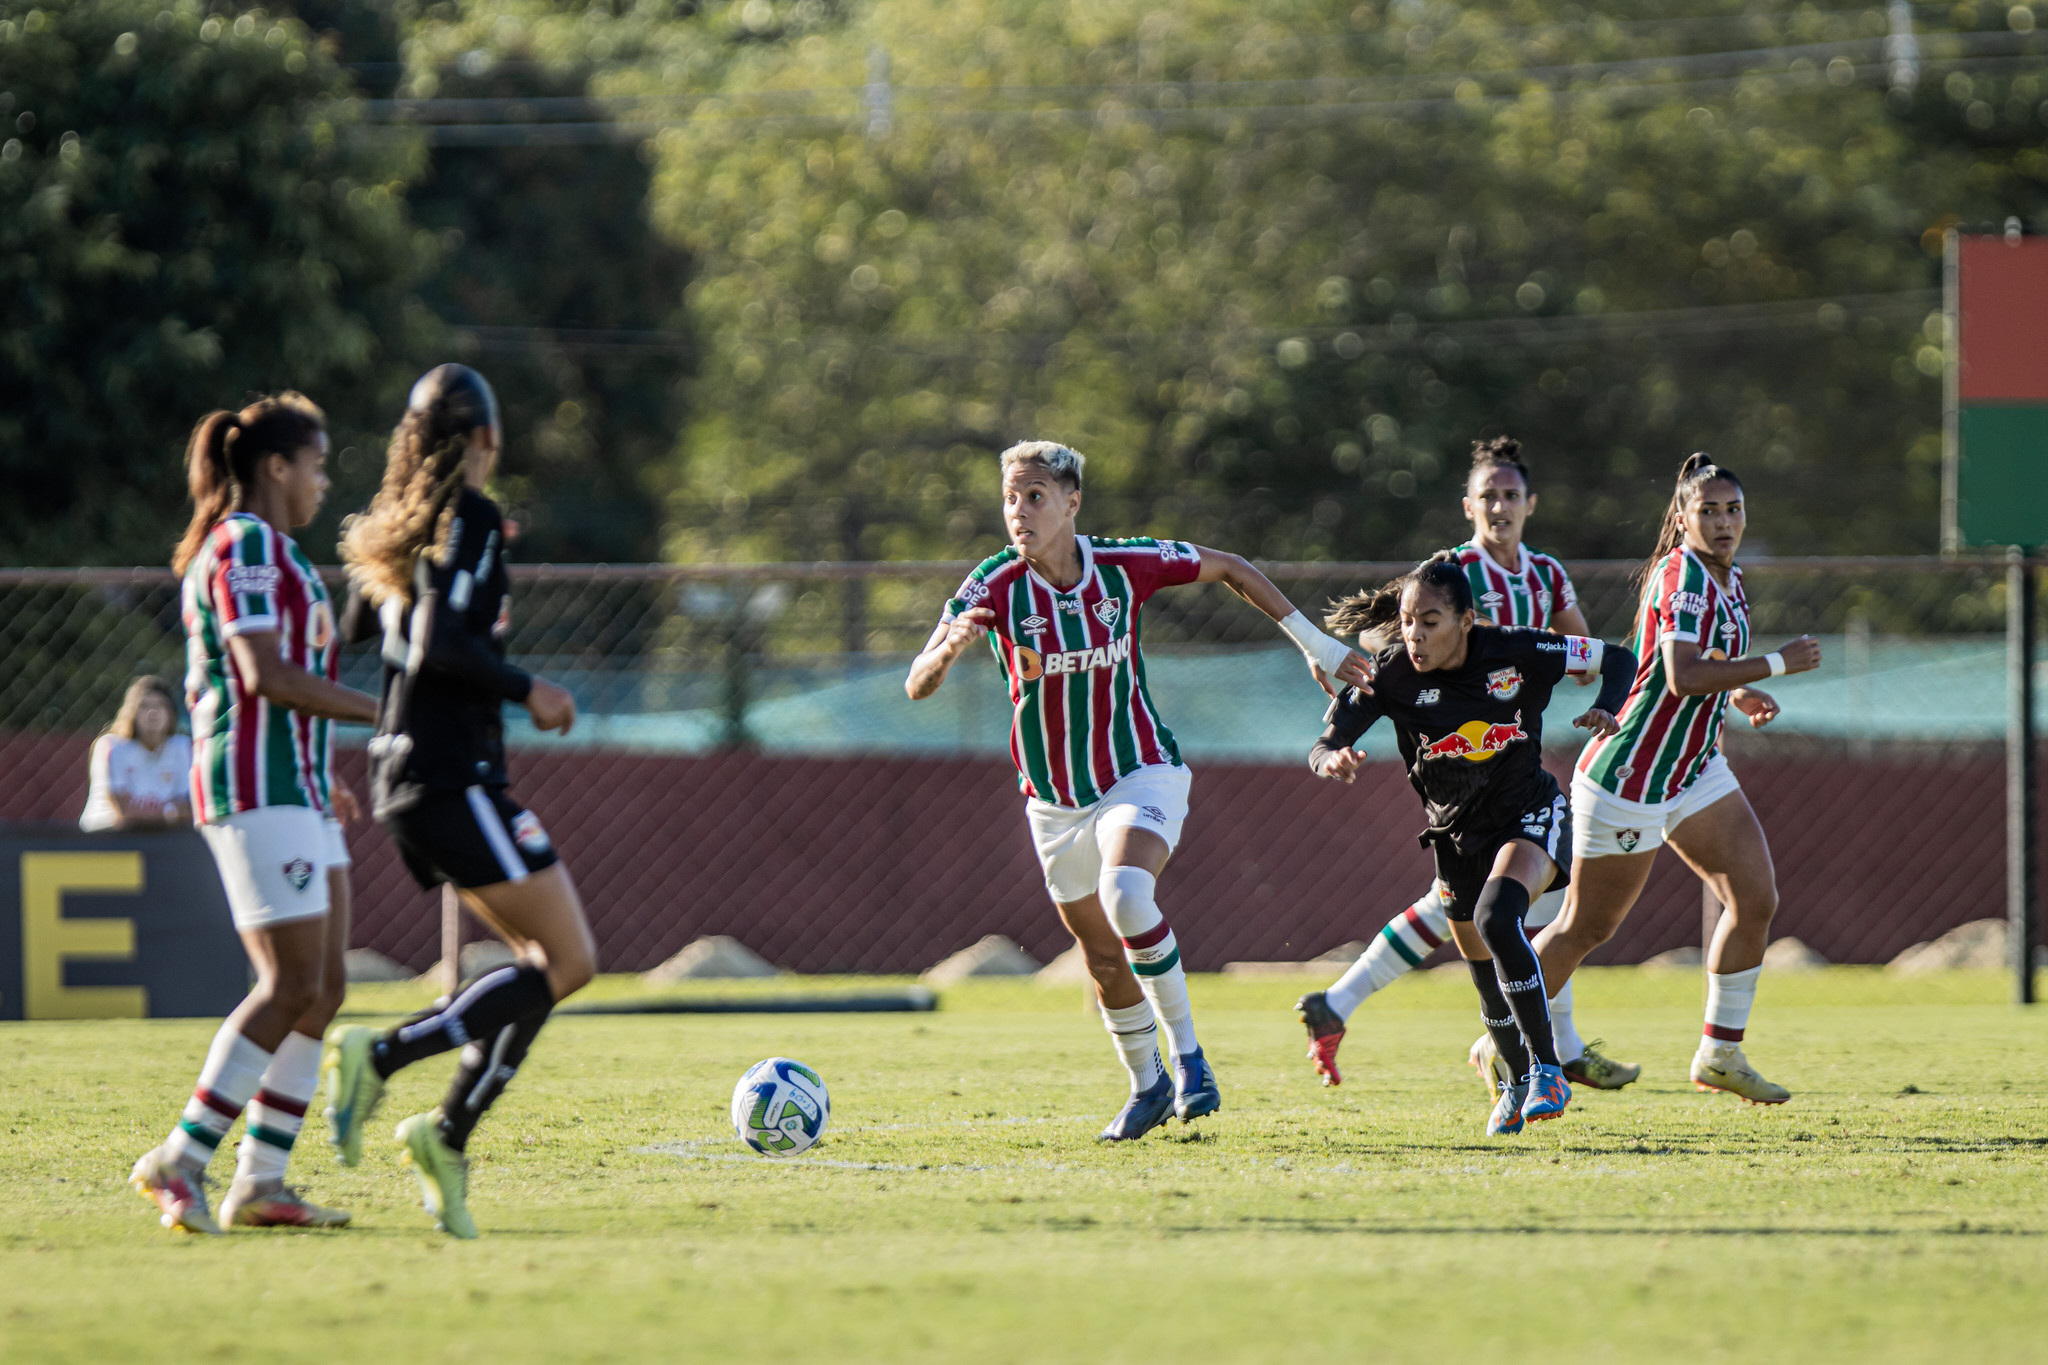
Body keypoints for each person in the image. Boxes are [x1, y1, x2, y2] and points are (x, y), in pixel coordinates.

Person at [905, 440, 1370, 1141]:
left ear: (1072, 503)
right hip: (1053, 803)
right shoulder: (994, 583)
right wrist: (945, 652)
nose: (1019, 511)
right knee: (1099, 955)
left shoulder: (1124, 564)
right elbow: (916, 683)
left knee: (1126, 893)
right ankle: (1147, 1085)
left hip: (1140, 770)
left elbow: (1231, 566)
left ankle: (1189, 1059)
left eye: (1035, 496)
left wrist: (1317, 643)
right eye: (1010, 498)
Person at [323, 364, 591, 1239]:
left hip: (407, 776)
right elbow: (440, 639)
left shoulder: (405, 525)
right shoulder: (467, 516)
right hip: (451, 773)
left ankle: (447, 1137)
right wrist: (528, 687)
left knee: (537, 968)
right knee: (570, 960)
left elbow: (356, 627)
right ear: (487, 436)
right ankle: (383, 1054)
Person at [1295, 438, 1639, 1093]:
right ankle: (1533, 1049)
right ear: (1468, 506)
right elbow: (1389, 644)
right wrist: (1350, 685)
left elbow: (1584, 650)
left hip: (1509, 757)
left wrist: (1564, 674)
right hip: (1455, 771)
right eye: (1488, 495)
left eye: (1511, 495)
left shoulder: (1546, 574)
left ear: (1530, 504)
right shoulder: (1449, 572)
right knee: (1490, 913)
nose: (1500, 506)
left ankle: (1544, 1052)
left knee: (1510, 910)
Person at [129, 394, 380, 1236]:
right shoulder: (243, 544)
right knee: (289, 982)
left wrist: (322, 766)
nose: (323, 481)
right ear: (276, 465)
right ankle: (180, 1157)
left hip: (297, 784)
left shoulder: (281, 552)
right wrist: (383, 710)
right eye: (316, 463)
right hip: (253, 785)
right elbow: (263, 674)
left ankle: (262, 1182)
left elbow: (285, 691)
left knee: (324, 987)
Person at [1533, 454, 1821, 1104]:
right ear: (1683, 518)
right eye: (1709, 511)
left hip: (1693, 768)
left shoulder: (1728, 575)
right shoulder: (1683, 574)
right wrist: (1776, 664)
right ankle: (1500, 1040)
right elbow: (1682, 675)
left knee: (1754, 898)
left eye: (1733, 509)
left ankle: (1720, 1054)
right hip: (1632, 774)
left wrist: (1738, 692)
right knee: (1585, 928)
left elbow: (1702, 662)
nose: (1724, 522)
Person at [81, 676, 192, 832]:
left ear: (171, 713)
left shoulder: (182, 746)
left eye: (161, 705)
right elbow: (123, 813)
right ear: (131, 712)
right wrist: (171, 813)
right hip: (107, 838)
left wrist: (166, 814)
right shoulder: (111, 746)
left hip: (164, 837)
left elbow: (190, 808)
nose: (153, 712)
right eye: (144, 706)